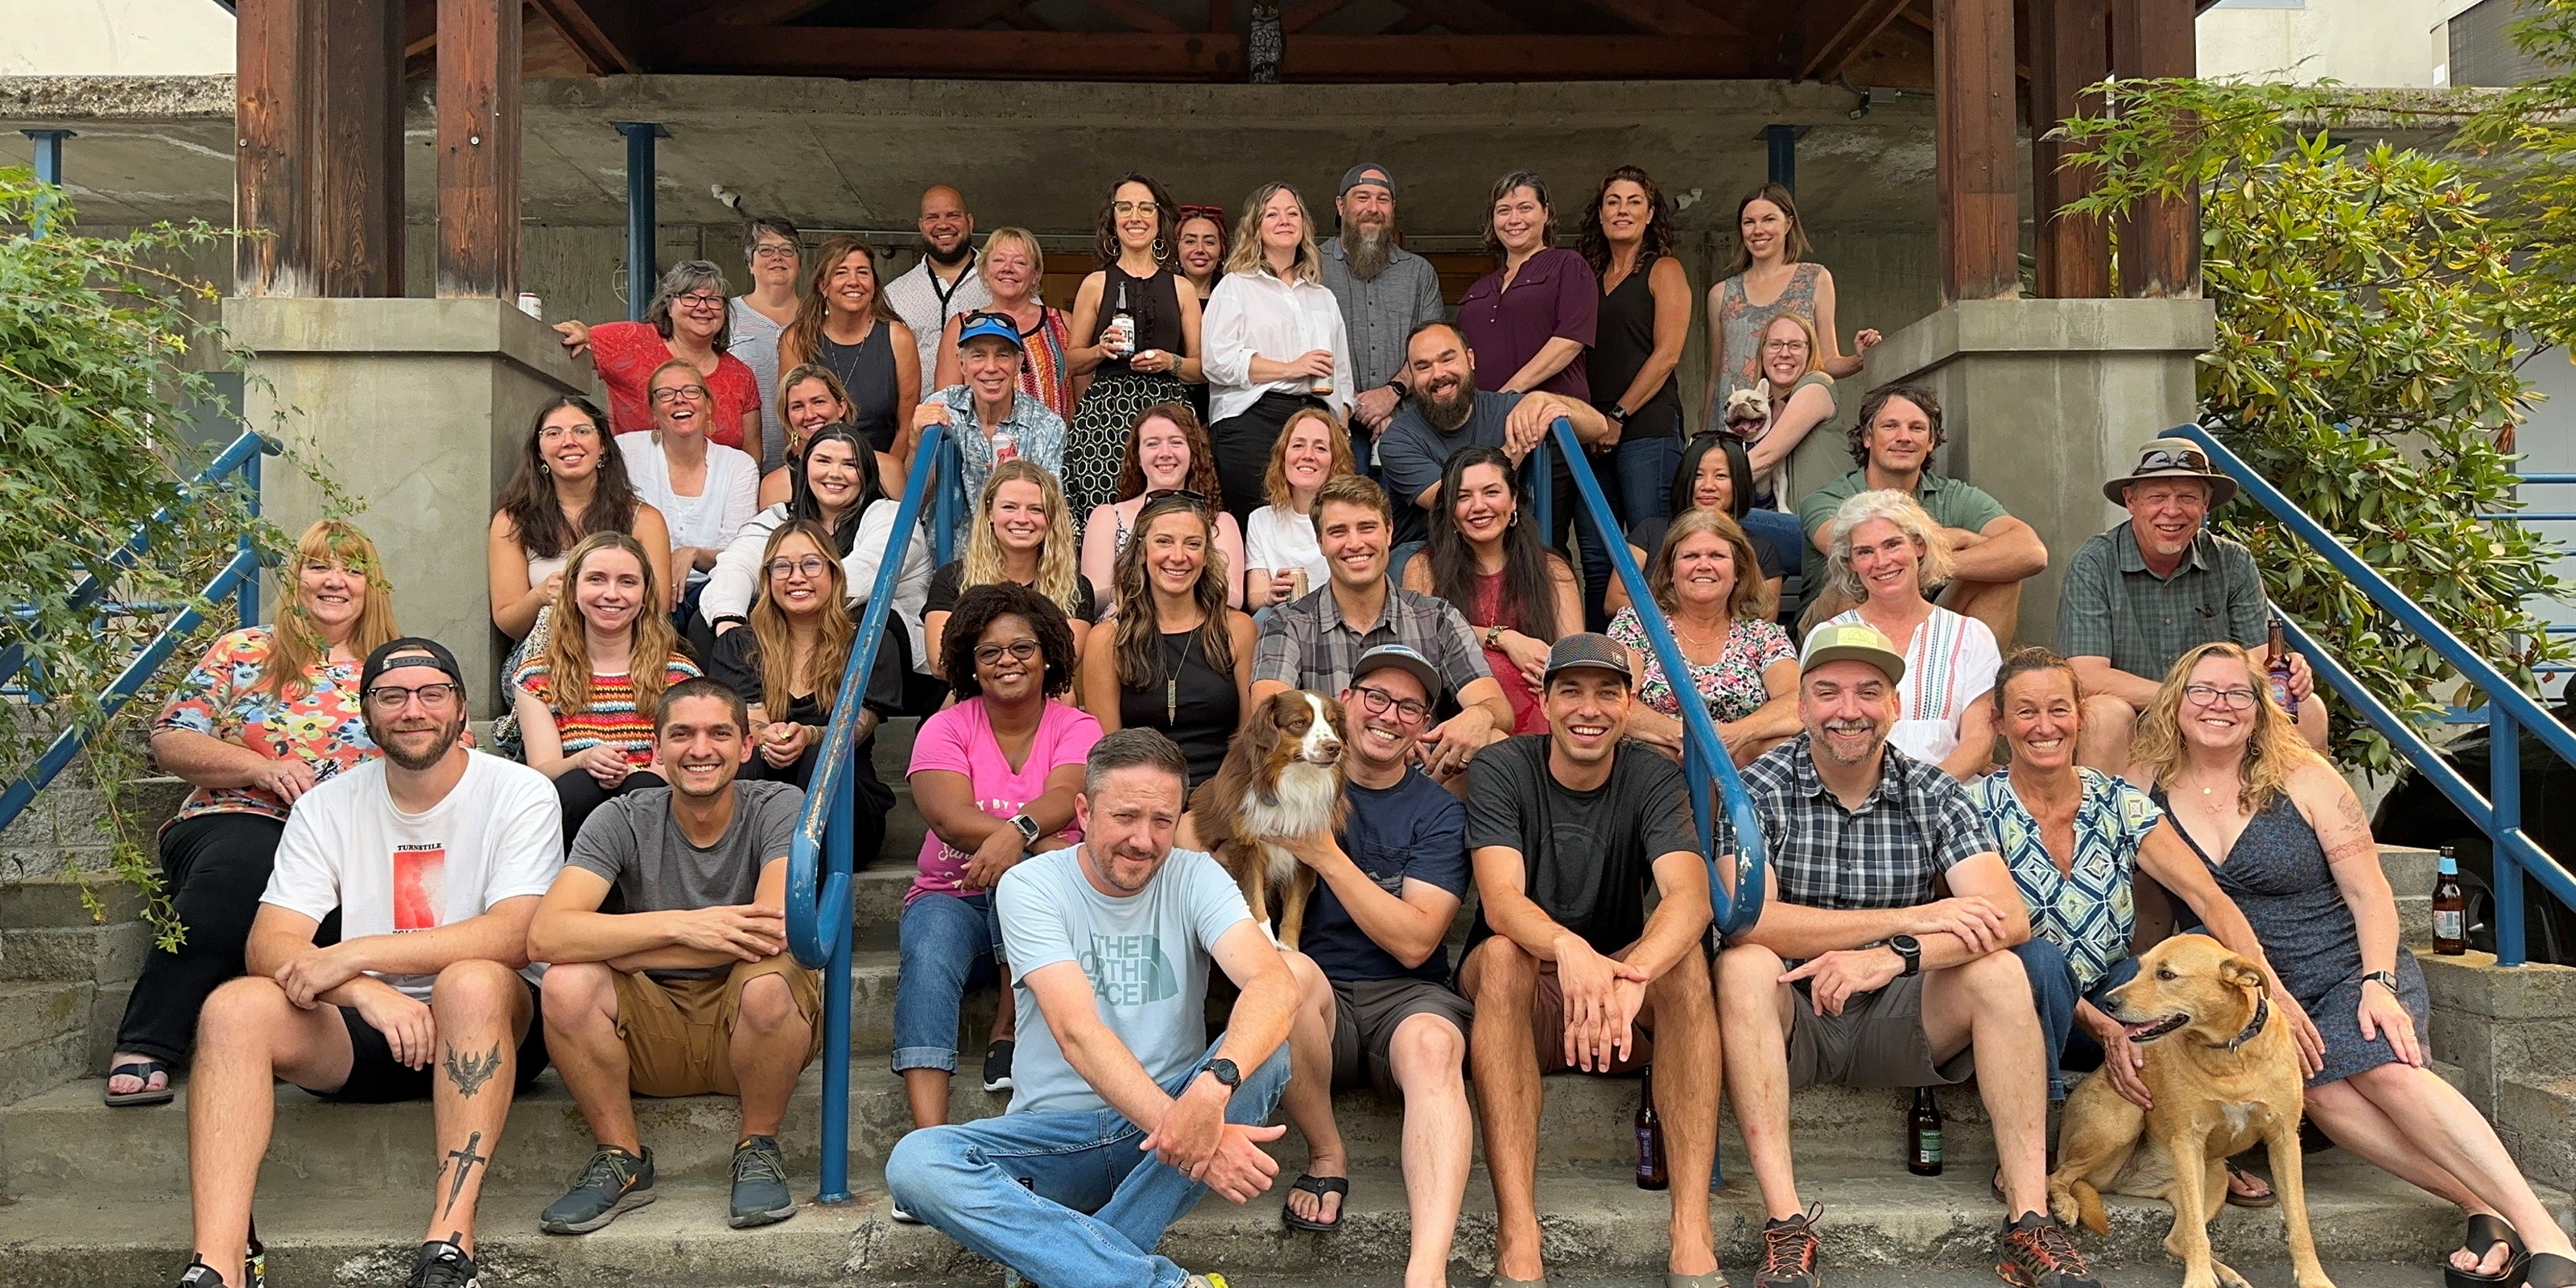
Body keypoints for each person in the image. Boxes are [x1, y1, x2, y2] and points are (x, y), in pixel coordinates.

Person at [2128, 642, 2576, 1288]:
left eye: (2237, 693)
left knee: (2385, 1067)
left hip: (2344, 964)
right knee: (2319, 1093)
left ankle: (2545, 1235)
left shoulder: (2302, 775)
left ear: (2260, 707)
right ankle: (2481, 1205)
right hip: (2245, 990)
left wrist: (2378, 983)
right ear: (2176, 701)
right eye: (2203, 691)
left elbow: (2370, 892)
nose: (2218, 706)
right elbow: (2154, 908)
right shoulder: (2145, 784)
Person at [1712, 621, 2098, 1288]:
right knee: (1741, 966)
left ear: (1895, 705)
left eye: (1869, 692)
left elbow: (2008, 917)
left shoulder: (1933, 792)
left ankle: (2029, 1222)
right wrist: (1909, 920)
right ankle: (1786, 1224)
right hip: (1794, 1015)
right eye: (1828, 693)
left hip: (1901, 1016)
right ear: (1800, 706)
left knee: (2001, 972)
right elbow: (1751, 922)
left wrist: (1893, 957)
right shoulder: (1755, 790)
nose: (1849, 710)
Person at [171, 638, 559, 1288]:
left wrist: (355, 954)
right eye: (392, 696)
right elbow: (270, 943)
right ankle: (220, 1264)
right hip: (367, 1034)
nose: (414, 710)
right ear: (366, 713)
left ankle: (449, 1248)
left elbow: (516, 934)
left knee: (469, 980)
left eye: (432, 694)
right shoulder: (328, 804)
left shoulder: (519, 792)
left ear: (462, 708)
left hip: (493, 1025)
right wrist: (365, 991)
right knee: (233, 1007)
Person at [883, 728, 1296, 1288]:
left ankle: (1070, 1267)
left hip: (1158, 1148)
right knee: (918, 1162)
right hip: (1053, 1140)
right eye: (1125, 817)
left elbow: (1274, 985)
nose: (1144, 840)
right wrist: (1192, 1130)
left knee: (1267, 1051)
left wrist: (1209, 1092)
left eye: (1162, 821)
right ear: (1084, 811)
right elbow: (1077, 1032)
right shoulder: (1031, 885)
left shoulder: (1196, 876)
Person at [1456, 634, 1726, 1288]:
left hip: (1616, 1004)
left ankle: (1691, 1229)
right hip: (1524, 996)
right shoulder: (1503, 768)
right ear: (1545, 702)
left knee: (1686, 964)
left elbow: (1690, 898)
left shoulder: (1651, 775)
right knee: (1503, 956)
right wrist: (1568, 947)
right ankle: (1518, 1233)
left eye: (1608, 693)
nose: (1589, 709)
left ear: (1630, 705)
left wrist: (1636, 972)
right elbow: (1500, 900)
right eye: (1571, 691)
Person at [105, 521, 402, 1108]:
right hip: (239, 813)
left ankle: (289, 1039)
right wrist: (260, 768)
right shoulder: (244, 650)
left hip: (351, 836)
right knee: (245, 868)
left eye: (352, 570)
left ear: (372, 587)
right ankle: (148, 1038)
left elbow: (448, 750)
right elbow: (171, 737)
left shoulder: (394, 667)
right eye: (319, 566)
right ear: (296, 579)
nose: (335, 581)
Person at [1971, 647, 2296, 1175]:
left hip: (2114, 997)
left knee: (2193, 961)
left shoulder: (2118, 802)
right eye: (2026, 712)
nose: (2045, 726)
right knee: (2037, 961)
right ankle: (2030, 1147)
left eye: (2059, 709)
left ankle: (2213, 1142)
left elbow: (2208, 897)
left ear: (2081, 715)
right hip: (2026, 1014)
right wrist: (2102, 1025)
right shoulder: (1974, 809)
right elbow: (1983, 940)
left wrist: (2272, 991)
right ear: (2000, 723)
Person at [526, 678, 820, 1234]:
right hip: (650, 1030)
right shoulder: (621, 817)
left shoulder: (779, 805)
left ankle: (758, 1147)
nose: (700, 749)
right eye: (682, 734)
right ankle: (622, 1159)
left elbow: (768, 931)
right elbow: (546, 936)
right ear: (656, 750)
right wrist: (686, 925)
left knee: (769, 978)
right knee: (566, 982)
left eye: (719, 734)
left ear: (746, 746)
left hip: (750, 1027)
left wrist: (626, 949)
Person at [1265, 642, 1472, 1284]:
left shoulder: (1438, 810)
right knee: (1284, 976)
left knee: (1436, 1045)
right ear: (1346, 702)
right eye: (1376, 697)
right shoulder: (1286, 780)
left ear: (1424, 724)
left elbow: (1416, 941)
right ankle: (1327, 1154)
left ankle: (1427, 1271)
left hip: (1405, 997)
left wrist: (1324, 854)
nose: (1389, 715)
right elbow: (1203, 835)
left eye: (1410, 707)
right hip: (1318, 998)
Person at [899, 584, 1101, 1127]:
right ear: (971, 663)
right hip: (952, 895)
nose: (1006, 660)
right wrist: (1034, 838)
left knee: (1021, 881)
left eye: (1022, 648)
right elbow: (949, 818)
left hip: (1048, 901)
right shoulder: (944, 727)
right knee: (927, 955)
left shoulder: (1077, 727)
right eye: (989, 652)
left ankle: (1008, 1029)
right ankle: (929, 1139)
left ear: (1048, 654)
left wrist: (1019, 836)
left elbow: (1068, 794)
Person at [2062, 438, 2326, 766]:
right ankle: (2106, 805)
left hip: (2220, 715)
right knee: (2104, 715)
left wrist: (2288, 670)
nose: (2172, 511)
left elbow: (2259, 661)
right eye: (2158, 497)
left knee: (2308, 710)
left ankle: (2290, 802)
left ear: (2205, 504)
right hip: (2138, 716)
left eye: (2187, 497)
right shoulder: (2094, 563)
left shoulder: (2232, 561)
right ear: (2131, 501)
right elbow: (2086, 676)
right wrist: (2185, 698)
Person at [1251, 473, 1513, 783]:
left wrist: (1479, 715)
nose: (1355, 543)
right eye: (1338, 531)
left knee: (1494, 742)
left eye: (1367, 527)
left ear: (1389, 532)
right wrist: (1381, 737)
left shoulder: (1437, 617)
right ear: (1320, 542)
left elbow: (1497, 707)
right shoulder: (1288, 623)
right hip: (1327, 784)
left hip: (1422, 781)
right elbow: (1269, 718)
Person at [704, 522, 908, 881]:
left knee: (821, 756)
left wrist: (810, 736)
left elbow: (858, 728)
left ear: (834, 574)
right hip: (763, 804)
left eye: (811, 564)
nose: (796, 577)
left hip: (844, 813)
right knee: (748, 753)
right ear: (767, 579)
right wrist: (769, 736)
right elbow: (750, 720)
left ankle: (798, 890)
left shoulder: (869, 642)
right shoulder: (738, 645)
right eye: (782, 566)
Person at [1800, 383, 2047, 647]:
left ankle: (1974, 671)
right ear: (1867, 437)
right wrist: (1960, 539)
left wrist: (1931, 563)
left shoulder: (1953, 496)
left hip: (1928, 621)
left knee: (2003, 573)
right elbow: (1855, 551)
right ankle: (1863, 672)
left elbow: (2031, 552)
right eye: (1890, 426)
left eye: (1916, 428)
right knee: (1864, 574)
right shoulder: (1829, 499)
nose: (1904, 437)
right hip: (1834, 630)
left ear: (1931, 441)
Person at [703, 427, 934, 687]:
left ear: (867, 472)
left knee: (861, 613)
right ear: (805, 468)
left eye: (850, 464)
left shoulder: (893, 516)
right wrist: (729, 622)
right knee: (710, 619)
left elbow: (868, 573)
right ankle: (745, 704)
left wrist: (786, 596)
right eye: (823, 461)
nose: (834, 473)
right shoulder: (781, 517)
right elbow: (736, 564)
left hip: (890, 653)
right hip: (800, 637)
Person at [513, 533, 702, 846]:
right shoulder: (537, 677)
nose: (611, 594)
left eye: (627, 582)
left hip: (654, 815)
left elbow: (684, 766)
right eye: (597, 579)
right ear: (573, 590)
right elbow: (542, 770)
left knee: (644, 788)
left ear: (645, 595)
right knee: (578, 784)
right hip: (575, 811)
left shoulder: (679, 675)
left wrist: (631, 772)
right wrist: (583, 760)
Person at [1815, 489, 2003, 781]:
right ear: (1850, 562)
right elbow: (1822, 741)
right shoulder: (1829, 636)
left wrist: (1921, 795)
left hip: (1949, 793)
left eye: (1892, 545)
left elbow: (1979, 744)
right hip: (1855, 798)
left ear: (1919, 546)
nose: (1881, 561)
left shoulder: (1971, 635)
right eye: (1865, 552)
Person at [1201, 181, 1356, 530]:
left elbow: (1342, 375)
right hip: (1253, 420)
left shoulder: (1322, 297)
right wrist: (1291, 368)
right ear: (1256, 227)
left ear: (1304, 225)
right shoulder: (1235, 286)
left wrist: (1341, 428)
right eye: (1272, 214)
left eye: (1292, 213)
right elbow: (1217, 360)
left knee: (1319, 526)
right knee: (1258, 525)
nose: (1284, 220)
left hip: (1317, 421)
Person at [1377, 321, 1608, 550]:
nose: (1438, 374)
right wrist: (1518, 443)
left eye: (1447, 359)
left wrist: (1545, 399)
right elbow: (1449, 500)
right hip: (1427, 550)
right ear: (1412, 376)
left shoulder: (1503, 407)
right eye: (1423, 367)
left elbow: (1598, 427)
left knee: (1557, 570)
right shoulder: (1398, 439)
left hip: (1503, 547)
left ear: (1470, 359)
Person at [1579, 165, 1692, 630]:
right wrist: (1596, 421)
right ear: (1600, 214)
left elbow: (1667, 354)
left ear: (1649, 215)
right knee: (1595, 554)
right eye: (1613, 202)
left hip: (1647, 429)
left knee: (1651, 550)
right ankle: (1596, 656)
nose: (1622, 210)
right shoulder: (1587, 275)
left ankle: (1659, 653)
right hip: (1590, 432)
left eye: (1634, 202)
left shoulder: (1664, 270)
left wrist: (1619, 414)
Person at [1400, 445, 1579, 736]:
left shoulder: (1552, 570)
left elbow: (1574, 661)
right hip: (1460, 727)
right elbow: (1424, 637)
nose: (1479, 506)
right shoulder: (1424, 568)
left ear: (1514, 500)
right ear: (1450, 511)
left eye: (1491, 492)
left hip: (1546, 729)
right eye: (1463, 497)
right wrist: (1503, 638)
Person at [1081, 494, 1256, 789]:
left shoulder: (1236, 630)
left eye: (1193, 544)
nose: (1178, 556)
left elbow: (1249, 742)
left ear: (1206, 555)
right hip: (1140, 794)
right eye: (1164, 542)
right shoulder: (1107, 640)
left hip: (1222, 794)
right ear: (1142, 551)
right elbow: (1109, 755)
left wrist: (1211, 804)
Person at [1606, 508, 1798, 766]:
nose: (1704, 565)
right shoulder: (1636, 623)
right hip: (1660, 767)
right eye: (1691, 556)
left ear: (1738, 571)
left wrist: (1737, 734)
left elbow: (1797, 701)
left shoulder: (1762, 634)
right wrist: (1690, 740)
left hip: (1744, 766)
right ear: (1671, 571)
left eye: (1717, 555)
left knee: (1781, 744)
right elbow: (1615, 697)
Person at [1063, 175, 1203, 521]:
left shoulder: (1182, 288)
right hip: (1105, 414)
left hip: (1168, 411)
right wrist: (1099, 350)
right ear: (1112, 220)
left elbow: (1201, 369)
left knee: (1170, 513)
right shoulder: (1095, 284)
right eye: (1124, 208)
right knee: (1103, 512)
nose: (1135, 217)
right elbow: (1072, 361)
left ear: (1159, 219)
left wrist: (1171, 362)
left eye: (1145, 208)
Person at [487, 396, 674, 643]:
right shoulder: (512, 521)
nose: (569, 442)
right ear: (539, 452)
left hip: (626, 650)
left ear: (603, 445)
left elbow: (657, 611)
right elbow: (508, 623)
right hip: (545, 653)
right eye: (554, 433)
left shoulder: (645, 520)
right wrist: (540, 596)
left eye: (582, 431)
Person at [554, 260, 763, 460]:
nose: (703, 307)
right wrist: (578, 332)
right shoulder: (631, 341)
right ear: (669, 306)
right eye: (690, 297)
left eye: (713, 300)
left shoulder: (740, 376)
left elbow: (752, 455)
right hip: (634, 480)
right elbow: (573, 339)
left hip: (720, 484)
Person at [1703, 181, 1879, 415]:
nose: (1758, 230)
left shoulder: (1815, 279)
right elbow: (1717, 377)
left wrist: (1859, 359)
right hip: (1734, 423)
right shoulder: (1721, 294)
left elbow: (1826, 362)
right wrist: (1703, 432)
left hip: (1793, 418)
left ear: (1788, 224)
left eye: (1769, 219)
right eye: (1749, 222)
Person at [925, 460, 1099, 681]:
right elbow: (941, 663)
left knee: (1064, 695)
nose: (1022, 519)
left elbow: (1063, 661)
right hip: (969, 694)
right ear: (989, 512)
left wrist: (985, 654)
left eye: (1036, 509)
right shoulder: (952, 579)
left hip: (1041, 695)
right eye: (1009, 507)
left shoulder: (1076, 587)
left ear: (1052, 517)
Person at [912, 311, 1071, 551]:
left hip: (1015, 559)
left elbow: (1054, 516)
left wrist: (1023, 481)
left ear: (1018, 363)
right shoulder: (942, 407)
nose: (991, 367)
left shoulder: (1047, 426)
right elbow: (915, 501)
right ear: (962, 364)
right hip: (947, 562)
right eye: (978, 355)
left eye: (1002, 355)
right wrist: (916, 444)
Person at [1318, 163, 1446, 456]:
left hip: (1407, 426)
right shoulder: (1313, 266)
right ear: (1340, 205)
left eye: (1383, 199)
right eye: (1362, 197)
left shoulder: (1419, 273)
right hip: (1330, 426)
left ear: (1392, 208)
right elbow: (1301, 345)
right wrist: (1355, 403)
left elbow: (1433, 349)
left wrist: (1391, 393)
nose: (1373, 208)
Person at [622, 360, 762, 624]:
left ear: (708, 405)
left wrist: (696, 554)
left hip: (711, 590)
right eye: (665, 394)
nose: (679, 399)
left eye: (691, 391)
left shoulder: (738, 466)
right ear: (653, 411)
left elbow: (738, 552)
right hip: (642, 590)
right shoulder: (627, 451)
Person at [1077, 402, 1247, 611]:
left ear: (1193, 453)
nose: (1165, 453)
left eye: (1176, 442)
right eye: (1152, 444)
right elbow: (1094, 598)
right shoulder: (1108, 517)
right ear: (1138, 456)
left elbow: (1232, 597)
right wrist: (1155, 590)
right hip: (1124, 624)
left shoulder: (1219, 522)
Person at [778, 236, 921, 477]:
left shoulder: (899, 338)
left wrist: (879, 478)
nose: (853, 281)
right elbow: (791, 424)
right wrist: (819, 476)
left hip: (880, 473)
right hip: (816, 474)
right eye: (841, 273)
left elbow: (906, 426)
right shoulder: (798, 339)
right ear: (822, 285)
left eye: (863, 272)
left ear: (874, 283)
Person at [1612, 433, 1789, 622]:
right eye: (1698, 475)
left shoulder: (1762, 550)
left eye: (1721, 476)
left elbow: (1764, 619)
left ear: (1739, 482)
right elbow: (1615, 599)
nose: (1708, 486)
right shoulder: (1650, 532)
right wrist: (1682, 627)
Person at [935, 228, 1077, 423]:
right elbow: (946, 405)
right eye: (999, 260)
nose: (1008, 268)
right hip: (980, 441)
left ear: (1036, 274)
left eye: (1020, 262)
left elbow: (1084, 400)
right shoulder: (961, 326)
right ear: (985, 271)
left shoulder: (1063, 323)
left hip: (1054, 441)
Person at [1242, 406, 1358, 614]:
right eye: (1298, 445)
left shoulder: (1350, 517)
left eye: (1320, 448)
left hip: (1339, 615)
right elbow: (1255, 597)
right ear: (1283, 456)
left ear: (1335, 460)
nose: (1308, 455)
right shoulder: (1261, 519)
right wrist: (1270, 594)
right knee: (1263, 616)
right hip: (1284, 618)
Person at [885, 184, 993, 395]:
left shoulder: (1004, 283)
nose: (943, 225)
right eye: (932, 217)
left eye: (953, 215)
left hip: (992, 413)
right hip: (918, 413)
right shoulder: (894, 295)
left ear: (970, 222)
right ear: (921, 226)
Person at [756, 361, 906, 509]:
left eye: (819, 402)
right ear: (788, 417)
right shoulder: (776, 485)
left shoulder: (887, 469)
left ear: (841, 407)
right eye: (798, 406)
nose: (809, 415)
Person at [1730, 312, 1840, 512]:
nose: (1784, 353)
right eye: (1775, 344)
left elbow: (1763, 459)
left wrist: (1710, 487)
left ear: (1810, 353)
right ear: (1762, 352)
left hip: (1827, 519)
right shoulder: (1761, 413)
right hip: (1783, 521)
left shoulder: (1817, 385)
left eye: (1795, 345)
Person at [730, 217, 803, 475]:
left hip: (809, 463)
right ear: (749, 263)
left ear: (799, 262)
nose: (777, 257)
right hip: (742, 464)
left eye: (787, 249)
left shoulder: (820, 317)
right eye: (765, 250)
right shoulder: (725, 316)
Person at [1174, 203, 1230, 425]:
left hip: (1223, 411)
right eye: (1190, 241)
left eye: (1209, 242)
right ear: (1177, 248)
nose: (1200, 249)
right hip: (1170, 408)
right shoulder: (1160, 294)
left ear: (1221, 250)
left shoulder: (1233, 296)